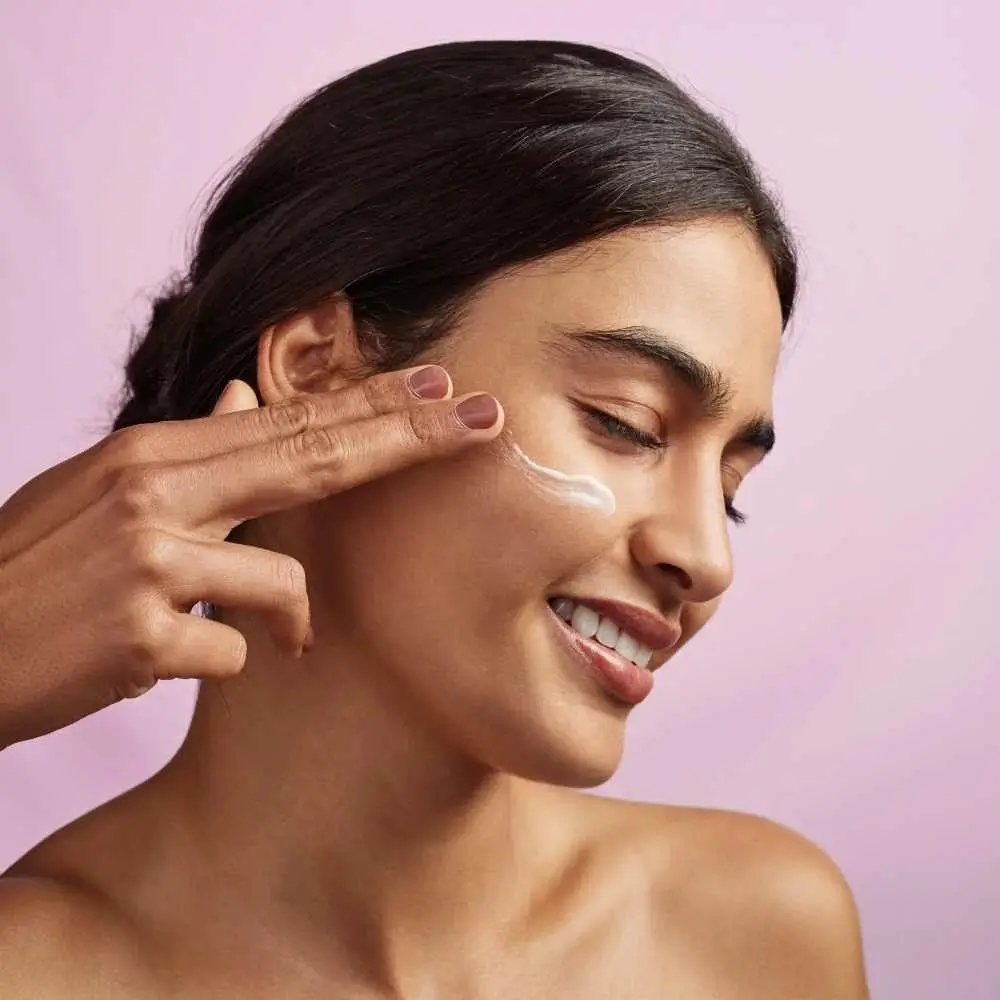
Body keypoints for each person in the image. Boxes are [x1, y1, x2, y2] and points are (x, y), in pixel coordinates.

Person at [0, 39, 869, 998]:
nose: (705, 558)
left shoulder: (754, 938)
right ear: (317, 368)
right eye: (625, 423)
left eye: (731, 493)